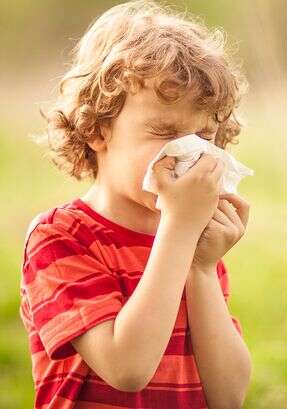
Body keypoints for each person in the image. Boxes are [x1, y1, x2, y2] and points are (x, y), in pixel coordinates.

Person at [19, 1, 251, 407]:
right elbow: (126, 368)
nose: (189, 153)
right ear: (96, 129)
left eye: (205, 136)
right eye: (165, 132)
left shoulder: (196, 245)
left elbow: (229, 396)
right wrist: (181, 231)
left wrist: (201, 268)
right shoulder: (59, 237)